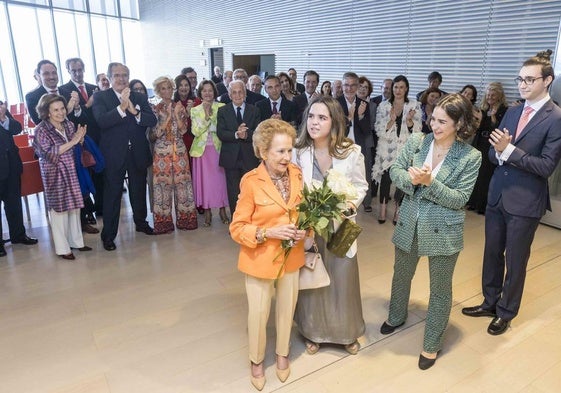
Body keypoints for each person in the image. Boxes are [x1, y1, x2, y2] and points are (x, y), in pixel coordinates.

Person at [462, 50, 561, 336]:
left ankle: (506, 311)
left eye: (530, 79)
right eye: (520, 79)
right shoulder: (514, 110)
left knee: (516, 260)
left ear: (547, 81)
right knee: (491, 253)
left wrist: (508, 151)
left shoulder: (555, 118)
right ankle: (489, 302)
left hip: (526, 200)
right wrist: (500, 152)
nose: (523, 84)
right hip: (498, 194)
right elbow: (494, 155)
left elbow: (545, 166)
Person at [380, 93, 481, 370]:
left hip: (443, 230)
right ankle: (395, 315)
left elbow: (460, 199)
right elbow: (395, 171)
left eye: (442, 122)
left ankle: (432, 344)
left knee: (440, 289)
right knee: (401, 274)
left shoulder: (471, 156)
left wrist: (429, 183)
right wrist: (412, 181)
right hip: (410, 220)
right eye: (432, 119)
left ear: (459, 123)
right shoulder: (417, 141)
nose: (434, 126)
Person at [230, 118, 305, 391]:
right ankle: (257, 360)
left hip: (292, 256)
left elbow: (301, 212)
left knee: (287, 309)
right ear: (263, 152)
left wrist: (303, 231)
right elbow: (237, 228)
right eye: (280, 151)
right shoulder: (250, 182)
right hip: (260, 259)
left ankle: (282, 353)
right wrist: (268, 233)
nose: (287, 157)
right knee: (259, 314)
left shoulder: (296, 174)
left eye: (289, 150)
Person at [293, 95, 368, 356]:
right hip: (311, 226)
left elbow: (360, 186)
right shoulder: (299, 151)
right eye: (311, 116)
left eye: (322, 117)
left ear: (334, 121)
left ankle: (346, 333)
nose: (314, 122)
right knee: (313, 276)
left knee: (342, 277)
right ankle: (313, 331)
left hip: (342, 226)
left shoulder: (351, 152)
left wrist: (350, 206)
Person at [92, 63, 157, 251]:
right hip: (114, 154)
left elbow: (151, 120)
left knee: (138, 190)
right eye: (117, 75)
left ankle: (141, 222)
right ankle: (109, 235)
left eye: (125, 75)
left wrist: (134, 112)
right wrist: (121, 108)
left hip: (137, 152)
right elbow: (102, 122)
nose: (121, 79)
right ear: (110, 78)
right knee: (112, 195)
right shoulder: (100, 97)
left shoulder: (139, 96)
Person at [32, 94, 92, 260]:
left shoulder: (69, 124)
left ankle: (77, 242)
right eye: (56, 110)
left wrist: (79, 140)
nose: (61, 113)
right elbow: (49, 153)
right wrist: (73, 141)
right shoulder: (41, 130)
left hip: (72, 170)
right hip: (55, 173)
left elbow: (75, 146)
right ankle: (63, 248)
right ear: (47, 112)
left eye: (62, 108)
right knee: (59, 211)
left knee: (74, 208)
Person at [150, 76, 197, 234]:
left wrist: (177, 115)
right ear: (158, 91)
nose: (167, 91)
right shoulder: (154, 108)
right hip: (161, 152)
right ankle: (163, 222)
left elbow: (184, 131)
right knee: (162, 186)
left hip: (180, 150)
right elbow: (155, 133)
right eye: (163, 88)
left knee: (183, 184)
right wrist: (167, 118)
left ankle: (186, 219)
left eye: (169, 88)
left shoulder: (179, 106)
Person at [60, 57, 102, 234]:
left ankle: (99, 209)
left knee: (99, 177)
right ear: (68, 71)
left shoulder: (94, 88)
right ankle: (85, 216)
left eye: (80, 69)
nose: (77, 73)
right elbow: (65, 117)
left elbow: (99, 115)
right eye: (73, 70)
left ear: (84, 69)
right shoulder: (63, 91)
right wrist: (85, 106)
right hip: (76, 142)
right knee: (82, 180)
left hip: (97, 140)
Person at [372, 75, 421, 224]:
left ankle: (398, 211)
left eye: (401, 87)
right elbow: (379, 130)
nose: (398, 90)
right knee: (386, 179)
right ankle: (382, 209)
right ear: (392, 88)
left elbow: (418, 132)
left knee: (401, 180)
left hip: (405, 150)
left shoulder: (414, 105)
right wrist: (392, 120)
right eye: (395, 87)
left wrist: (409, 121)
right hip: (387, 149)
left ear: (406, 89)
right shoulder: (384, 106)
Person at [217, 80, 261, 214]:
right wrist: (236, 134)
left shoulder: (254, 110)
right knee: (233, 192)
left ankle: (251, 220)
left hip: (250, 158)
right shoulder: (222, 111)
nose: (237, 95)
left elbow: (258, 132)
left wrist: (245, 134)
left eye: (240, 91)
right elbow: (221, 133)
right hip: (231, 158)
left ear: (245, 93)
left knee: (250, 191)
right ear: (229, 95)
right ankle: (236, 221)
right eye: (234, 92)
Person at [0, 104, 38, 258]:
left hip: (11, 166)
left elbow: (17, 128)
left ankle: (18, 235)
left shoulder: (1, 107)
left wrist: (3, 118)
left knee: (14, 203)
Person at [190, 80, 229, 226]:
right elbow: (196, 131)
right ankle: (207, 211)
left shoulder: (222, 107)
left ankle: (222, 209)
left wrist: (209, 118)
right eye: (204, 90)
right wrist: (206, 116)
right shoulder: (195, 110)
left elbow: (221, 128)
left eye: (210, 90)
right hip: (202, 152)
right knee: (205, 183)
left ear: (214, 92)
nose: (207, 93)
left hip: (219, 149)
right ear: (200, 93)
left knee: (220, 182)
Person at [467, 82, 508, 214]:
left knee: (486, 175)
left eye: (493, 94)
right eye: (488, 94)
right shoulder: (483, 109)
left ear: (499, 95)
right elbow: (477, 128)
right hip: (479, 142)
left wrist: (493, 117)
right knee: (476, 174)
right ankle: (472, 203)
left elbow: (500, 129)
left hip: (491, 145)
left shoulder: (503, 111)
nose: (490, 97)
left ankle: (482, 206)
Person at [337, 72, 373, 212]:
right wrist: (350, 118)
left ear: (357, 86)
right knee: (342, 174)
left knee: (363, 174)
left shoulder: (364, 104)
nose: (349, 88)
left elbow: (367, 131)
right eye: (346, 85)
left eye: (353, 85)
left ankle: (365, 201)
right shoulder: (335, 103)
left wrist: (361, 116)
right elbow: (334, 129)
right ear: (342, 85)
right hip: (340, 145)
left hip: (358, 145)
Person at [25, 60, 61, 125]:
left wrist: (77, 109)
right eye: (46, 74)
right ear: (39, 76)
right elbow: (38, 121)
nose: (51, 77)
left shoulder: (68, 92)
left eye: (54, 73)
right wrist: (67, 110)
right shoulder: (32, 97)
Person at [173, 74, 201, 153]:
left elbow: (200, 125)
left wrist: (191, 113)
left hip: (194, 141)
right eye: (181, 85)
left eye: (186, 85)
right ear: (176, 87)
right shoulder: (173, 104)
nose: (184, 88)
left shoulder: (197, 102)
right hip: (178, 142)